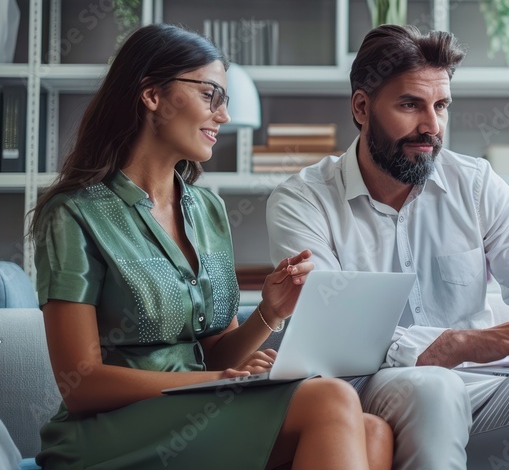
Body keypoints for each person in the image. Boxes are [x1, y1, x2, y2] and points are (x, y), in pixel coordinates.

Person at [266, 24, 509, 469]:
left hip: (489, 388)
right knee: (437, 388)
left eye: (441, 106)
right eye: (410, 105)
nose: (431, 126)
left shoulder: (476, 183)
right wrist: (456, 343)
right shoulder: (302, 200)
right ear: (362, 108)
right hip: (374, 391)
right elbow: (336, 335)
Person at [29, 24, 392, 470]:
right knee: (332, 399)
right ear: (151, 95)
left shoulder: (207, 208)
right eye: (210, 95)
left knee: (374, 430)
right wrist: (214, 382)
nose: (223, 115)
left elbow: (212, 350)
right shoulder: (73, 213)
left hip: (197, 410)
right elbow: (80, 383)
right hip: (109, 429)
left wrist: (269, 314)